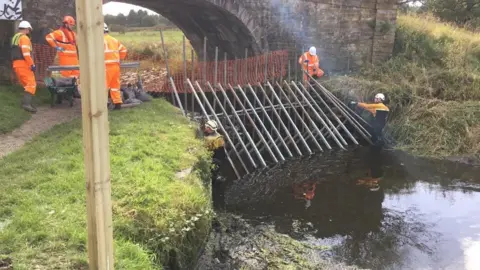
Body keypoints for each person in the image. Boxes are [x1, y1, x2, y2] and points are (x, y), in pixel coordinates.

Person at [11, 21, 37, 113]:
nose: (29, 32)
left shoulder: (15, 37)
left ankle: (28, 103)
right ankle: (26, 105)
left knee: (26, 85)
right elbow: (26, 53)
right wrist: (32, 64)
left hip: (16, 64)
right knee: (31, 84)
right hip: (24, 64)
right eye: (29, 30)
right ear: (26, 29)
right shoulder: (24, 38)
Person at [104, 23, 127, 110]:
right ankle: (117, 104)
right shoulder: (114, 40)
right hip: (116, 66)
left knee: (103, 86)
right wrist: (119, 59)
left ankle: (104, 104)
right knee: (115, 86)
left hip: (105, 67)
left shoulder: (98, 40)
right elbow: (124, 50)